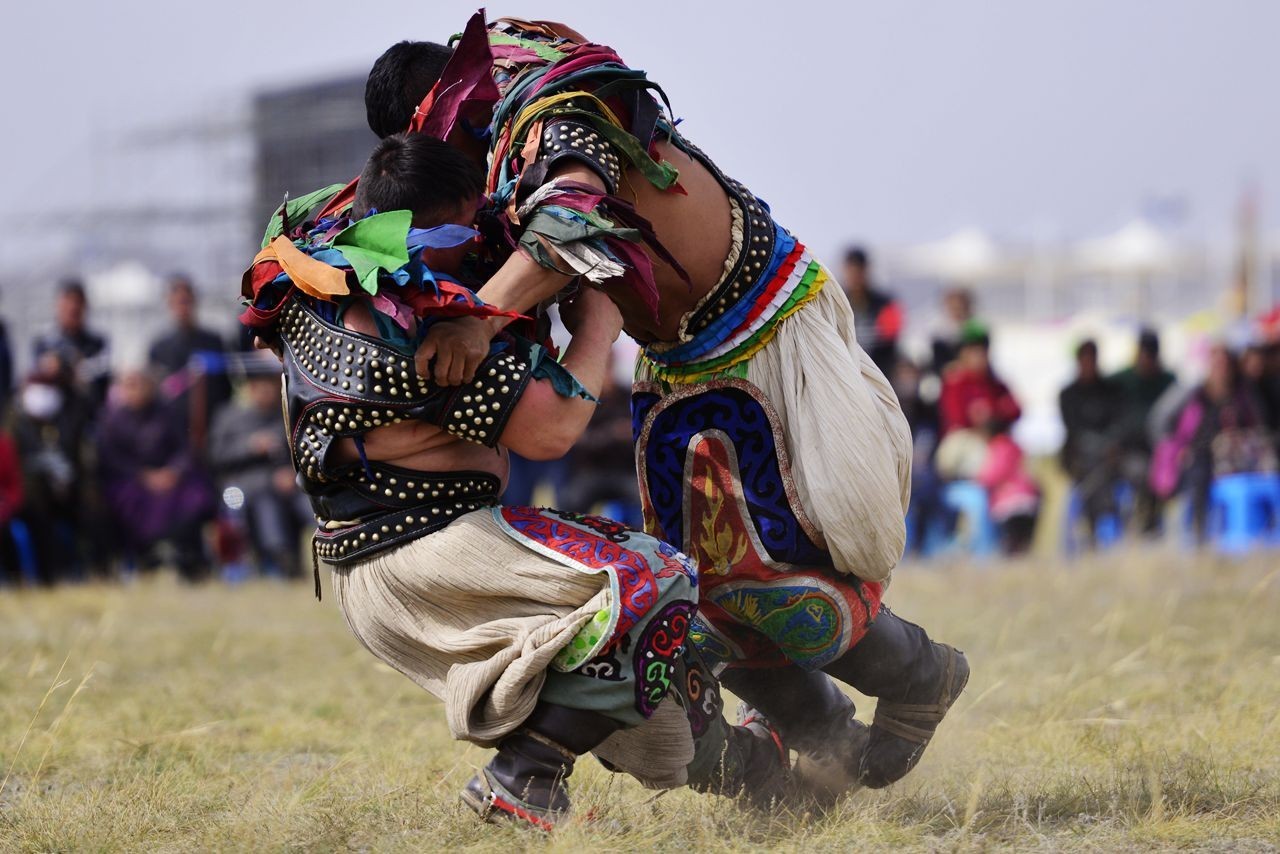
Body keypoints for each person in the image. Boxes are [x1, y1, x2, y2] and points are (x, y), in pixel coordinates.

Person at [358, 14, 968, 797]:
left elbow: (576, 211)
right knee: (702, 598)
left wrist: (478, 320)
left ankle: (921, 673)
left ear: (439, 110)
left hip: (761, 329)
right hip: (679, 362)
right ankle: (823, 741)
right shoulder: (507, 141)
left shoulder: (551, 112)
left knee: (767, 574)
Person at [241, 133, 789, 829]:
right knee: (651, 579)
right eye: (464, 227)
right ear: (416, 231)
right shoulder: (407, 324)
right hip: (432, 554)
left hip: (381, 557)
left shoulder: (317, 278)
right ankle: (524, 777)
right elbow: (552, 431)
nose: (477, 240)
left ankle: (765, 777)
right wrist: (598, 325)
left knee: (655, 679)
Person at [97, 369, 214, 580]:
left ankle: (187, 557)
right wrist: (143, 476)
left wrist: (173, 471)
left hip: (172, 478)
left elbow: (186, 448)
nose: (135, 390)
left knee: (194, 497)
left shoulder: (168, 413)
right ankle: (145, 557)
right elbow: (111, 458)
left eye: (140, 384)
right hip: (132, 479)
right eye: (129, 385)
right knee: (126, 501)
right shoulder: (110, 420)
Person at [208, 364, 311, 577]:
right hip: (241, 484)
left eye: (270, 387)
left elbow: (301, 451)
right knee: (266, 499)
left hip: (285, 483)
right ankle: (278, 553)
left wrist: (290, 473)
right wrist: (249, 447)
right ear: (250, 389)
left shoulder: (285, 415)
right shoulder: (228, 417)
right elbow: (215, 456)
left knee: (306, 499)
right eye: (260, 388)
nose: (266, 393)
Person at [148, 275, 233, 442]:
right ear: (169, 304)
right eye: (177, 302)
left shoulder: (213, 341)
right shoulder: (159, 348)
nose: (183, 307)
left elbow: (226, 387)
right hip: (173, 431)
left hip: (213, 427)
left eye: (186, 301)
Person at [1111, 329, 1176, 534]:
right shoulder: (1119, 381)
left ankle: (1155, 524)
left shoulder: (1168, 381)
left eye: (1151, 355)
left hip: (1161, 451)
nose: (1146, 360)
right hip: (1128, 452)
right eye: (1143, 354)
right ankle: (1145, 526)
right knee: (1145, 473)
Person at [1059, 340, 1123, 547]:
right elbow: (1073, 431)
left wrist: (1109, 448)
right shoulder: (1068, 395)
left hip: (1108, 462)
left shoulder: (1111, 392)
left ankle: (1104, 536)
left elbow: (1117, 426)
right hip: (1079, 462)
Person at [33, 279, 111, 413]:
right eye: (67, 301)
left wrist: (73, 369)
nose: (72, 308)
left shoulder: (97, 343)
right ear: (57, 305)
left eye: (77, 302)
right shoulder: (44, 343)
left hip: (87, 416)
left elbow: (99, 382)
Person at [841, 247, 902, 375]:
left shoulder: (885, 304)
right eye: (851, 271)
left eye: (858, 271)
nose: (855, 277)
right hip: (848, 373)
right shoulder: (839, 303)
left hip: (880, 373)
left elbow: (891, 343)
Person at [930, 287, 976, 376]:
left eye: (960, 306)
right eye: (953, 307)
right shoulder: (939, 332)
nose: (957, 310)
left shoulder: (976, 330)